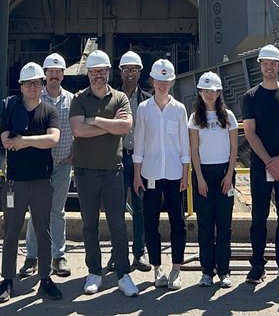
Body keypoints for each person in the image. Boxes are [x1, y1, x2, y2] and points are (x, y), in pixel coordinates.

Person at [70, 49, 139, 298]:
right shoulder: (79, 98)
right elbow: (78, 130)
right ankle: (94, 272)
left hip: (113, 172)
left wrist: (95, 121)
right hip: (85, 171)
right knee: (89, 225)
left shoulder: (120, 97)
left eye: (102, 71)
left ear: (109, 72)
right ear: (88, 73)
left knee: (118, 224)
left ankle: (123, 273)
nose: (98, 75)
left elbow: (125, 126)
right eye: (94, 71)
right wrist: (110, 124)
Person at [0, 62, 63, 302]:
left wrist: (23, 141)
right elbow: (4, 139)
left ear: (42, 86)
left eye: (37, 83)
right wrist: (30, 140)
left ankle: (45, 278)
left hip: (42, 181)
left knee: (43, 231)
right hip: (16, 182)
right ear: (21, 87)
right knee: (11, 231)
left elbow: (53, 139)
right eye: (29, 83)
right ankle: (7, 279)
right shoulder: (10, 108)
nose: (33, 87)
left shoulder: (49, 111)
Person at [241, 44, 279, 285]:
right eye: (265, 63)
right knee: (259, 216)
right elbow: (249, 132)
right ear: (260, 66)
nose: (269, 67)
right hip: (262, 166)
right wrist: (269, 161)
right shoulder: (251, 96)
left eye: (273, 63)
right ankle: (257, 266)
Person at [132, 59, 190, 290]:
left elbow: (185, 145)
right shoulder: (144, 109)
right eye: (159, 80)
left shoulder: (179, 109)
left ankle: (176, 268)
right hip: (151, 173)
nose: (162, 84)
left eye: (167, 80)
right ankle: (157, 268)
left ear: (172, 81)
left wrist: (186, 174)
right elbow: (139, 145)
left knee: (179, 223)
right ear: (152, 81)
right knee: (151, 223)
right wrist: (137, 176)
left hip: (175, 174)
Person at [20, 52, 73, 279]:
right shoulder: (35, 100)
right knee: (35, 212)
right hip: (39, 167)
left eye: (57, 71)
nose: (53, 75)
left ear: (63, 74)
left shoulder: (72, 100)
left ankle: (58, 257)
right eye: (49, 72)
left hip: (62, 165)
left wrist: (74, 155)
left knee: (57, 212)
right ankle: (32, 257)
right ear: (44, 76)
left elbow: (77, 130)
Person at [188, 71, 238, 288]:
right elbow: (194, 150)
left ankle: (224, 270)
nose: (208, 94)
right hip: (203, 174)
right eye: (204, 90)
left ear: (219, 93)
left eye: (212, 90)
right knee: (205, 225)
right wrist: (199, 178)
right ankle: (207, 271)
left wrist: (229, 175)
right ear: (199, 93)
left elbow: (234, 148)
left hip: (224, 174)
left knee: (224, 225)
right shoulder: (194, 119)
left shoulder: (228, 117)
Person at [117, 50, 151, 272]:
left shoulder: (147, 101)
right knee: (116, 208)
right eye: (126, 70)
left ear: (140, 73)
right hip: (118, 159)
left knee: (140, 208)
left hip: (140, 160)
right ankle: (117, 255)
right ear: (120, 72)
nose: (130, 74)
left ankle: (140, 253)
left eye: (134, 70)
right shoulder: (111, 97)